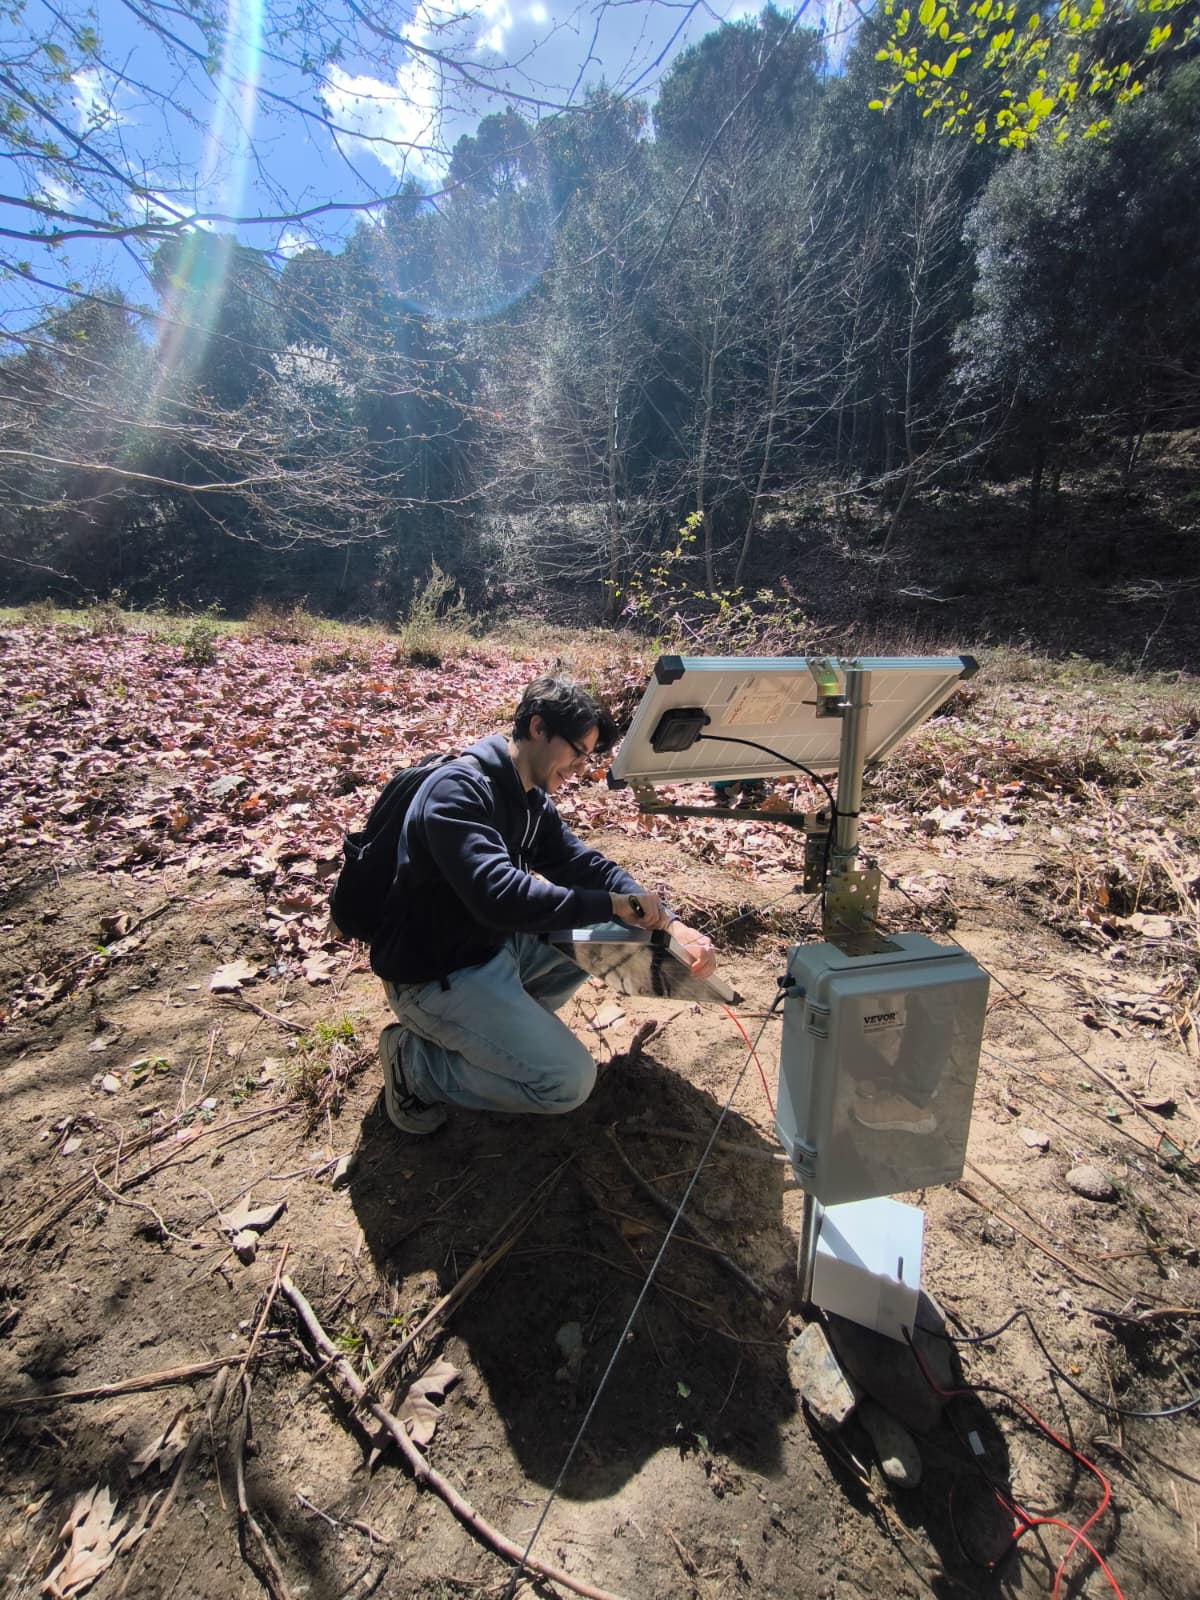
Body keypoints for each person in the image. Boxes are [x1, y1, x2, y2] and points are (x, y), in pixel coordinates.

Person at [371, 675, 717, 1133]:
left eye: (588, 757)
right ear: (537, 728)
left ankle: (502, 1034)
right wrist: (610, 904)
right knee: (567, 1083)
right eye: (577, 751)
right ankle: (415, 1066)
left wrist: (668, 923)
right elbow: (500, 897)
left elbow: (582, 865)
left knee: (618, 934)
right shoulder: (458, 790)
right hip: (436, 976)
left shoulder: (529, 799)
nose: (579, 768)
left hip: (493, 950)